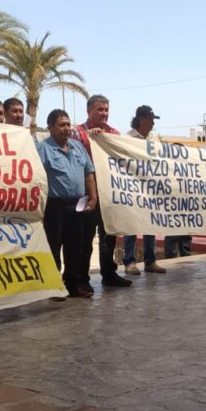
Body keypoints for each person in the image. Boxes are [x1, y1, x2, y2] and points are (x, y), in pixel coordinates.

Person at [71, 94, 131, 288]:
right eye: (100, 109)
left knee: (109, 236)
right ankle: (82, 279)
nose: (104, 113)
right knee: (85, 238)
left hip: (109, 192)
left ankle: (109, 274)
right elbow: (74, 159)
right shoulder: (77, 133)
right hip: (87, 193)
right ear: (89, 111)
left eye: (106, 110)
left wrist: (107, 140)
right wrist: (91, 139)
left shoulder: (114, 133)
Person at [37, 109, 97, 298]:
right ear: (51, 127)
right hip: (54, 205)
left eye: (68, 124)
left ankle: (74, 284)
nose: (67, 128)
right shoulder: (43, 149)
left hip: (78, 204)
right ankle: (54, 286)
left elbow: (89, 173)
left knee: (76, 246)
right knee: (54, 246)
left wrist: (93, 197)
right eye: (62, 125)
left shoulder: (78, 146)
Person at [123, 106, 166, 276]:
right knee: (131, 226)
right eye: (150, 119)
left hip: (150, 188)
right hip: (132, 188)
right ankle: (129, 261)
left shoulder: (154, 140)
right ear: (141, 119)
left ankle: (150, 261)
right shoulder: (126, 138)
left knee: (150, 225)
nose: (153, 122)